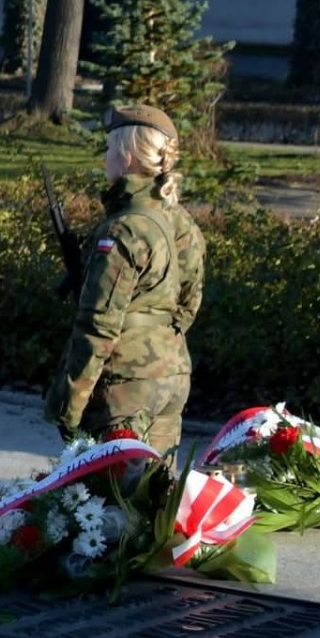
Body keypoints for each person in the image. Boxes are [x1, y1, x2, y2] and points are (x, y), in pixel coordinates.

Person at [45, 105, 203, 456]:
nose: (105, 158)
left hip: (123, 387)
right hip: (171, 376)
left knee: (111, 502)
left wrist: (69, 406)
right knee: (157, 499)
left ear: (127, 157)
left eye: (109, 149)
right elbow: (189, 303)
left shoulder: (122, 230)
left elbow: (98, 325)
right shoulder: (180, 221)